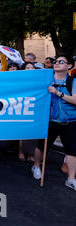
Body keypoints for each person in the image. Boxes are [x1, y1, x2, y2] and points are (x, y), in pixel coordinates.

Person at [32, 55, 76, 191]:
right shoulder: (46, 79)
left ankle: (71, 179)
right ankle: (37, 166)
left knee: (72, 151)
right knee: (42, 146)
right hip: (49, 120)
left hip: (70, 121)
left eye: (61, 62)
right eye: (56, 62)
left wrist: (57, 93)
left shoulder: (73, 81)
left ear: (69, 66)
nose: (57, 63)